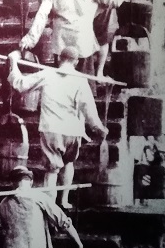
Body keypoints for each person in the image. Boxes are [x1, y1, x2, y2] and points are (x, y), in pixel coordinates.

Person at [8, 46, 108, 208]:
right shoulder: (80, 80)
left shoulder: (47, 74)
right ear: (76, 62)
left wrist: (13, 62)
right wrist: (99, 128)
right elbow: (89, 110)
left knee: (52, 170)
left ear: (60, 59)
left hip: (51, 129)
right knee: (68, 164)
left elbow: (20, 84)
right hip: (72, 131)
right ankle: (64, 201)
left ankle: (51, 206)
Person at [20, 0, 136, 77]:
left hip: (61, 44)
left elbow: (42, 14)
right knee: (83, 84)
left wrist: (30, 39)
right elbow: (116, 2)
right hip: (82, 42)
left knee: (62, 82)